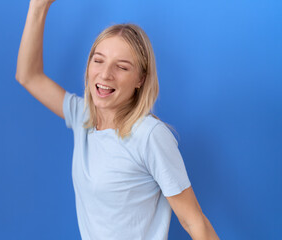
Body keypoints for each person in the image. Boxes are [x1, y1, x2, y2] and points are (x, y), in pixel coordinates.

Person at [15, 0, 220, 239]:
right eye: (98, 60)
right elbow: (28, 76)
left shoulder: (149, 136)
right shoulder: (85, 118)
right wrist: (38, 7)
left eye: (122, 67)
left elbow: (194, 221)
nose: (105, 74)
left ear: (140, 79)